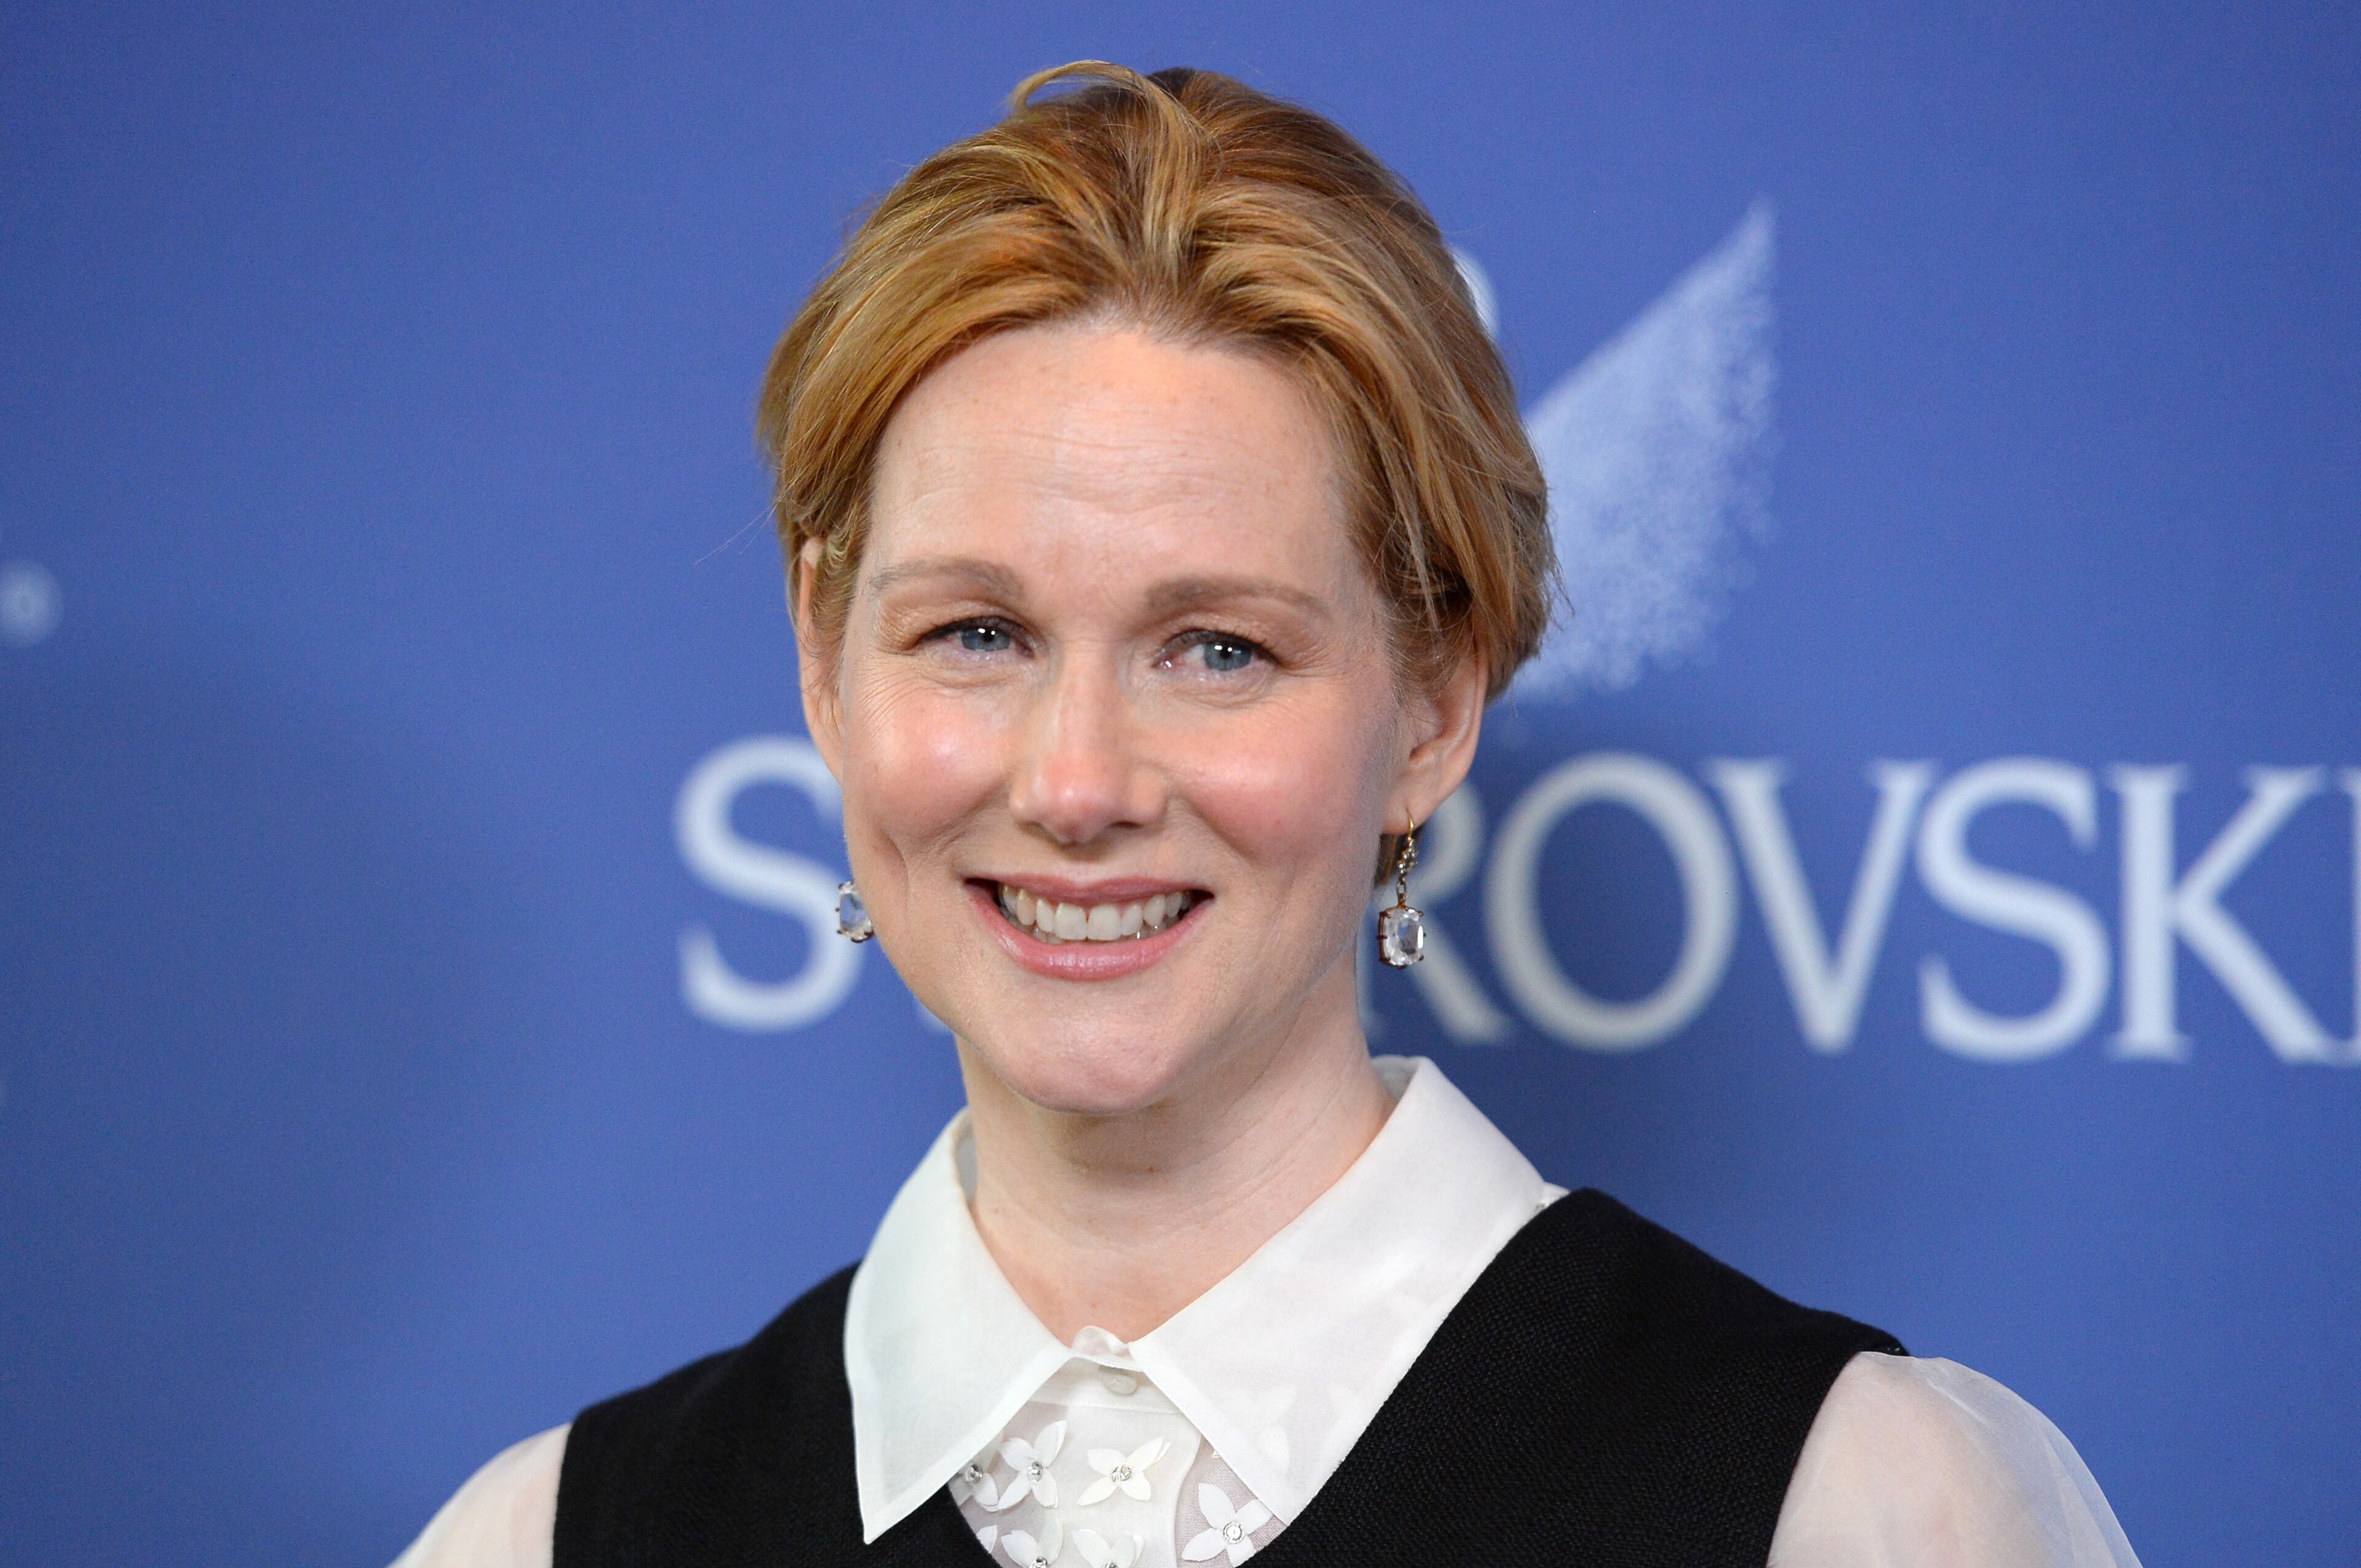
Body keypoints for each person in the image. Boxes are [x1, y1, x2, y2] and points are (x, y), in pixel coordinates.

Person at [394, 61, 2140, 1568]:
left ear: (1434, 704)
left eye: (1217, 649)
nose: (1076, 786)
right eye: (978, 633)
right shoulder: (548, 1538)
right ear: (822, 661)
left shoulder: (1856, 1504)